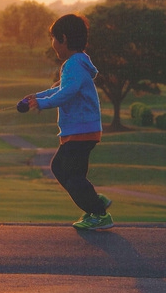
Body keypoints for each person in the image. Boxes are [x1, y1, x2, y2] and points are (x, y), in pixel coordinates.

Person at [23, 14, 113, 230]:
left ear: (63, 38)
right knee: (64, 169)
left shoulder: (73, 65)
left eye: (53, 38)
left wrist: (43, 104)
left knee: (70, 174)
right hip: (81, 130)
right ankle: (93, 200)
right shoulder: (78, 63)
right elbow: (61, 89)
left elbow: (68, 92)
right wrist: (38, 97)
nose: (52, 43)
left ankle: (99, 213)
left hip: (81, 131)